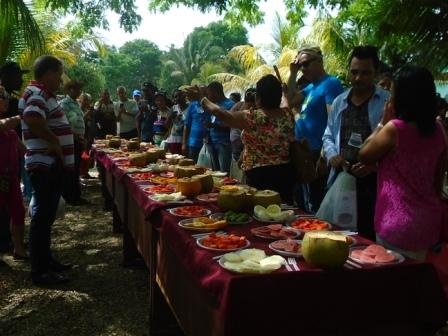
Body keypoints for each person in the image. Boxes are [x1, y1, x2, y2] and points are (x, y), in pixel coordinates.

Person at [358, 65, 447, 259]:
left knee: (393, 282)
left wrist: (382, 122)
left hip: (396, 223)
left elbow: (364, 154)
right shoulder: (439, 130)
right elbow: (438, 177)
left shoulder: (395, 129)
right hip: (429, 221)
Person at [186, 74, 296, 204]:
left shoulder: (252, 117)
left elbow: (221, 113)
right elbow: (288, 98)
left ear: (258, 97)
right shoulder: (287, 114)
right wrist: (293, 73)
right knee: (284, 209)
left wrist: (202, 99)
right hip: (286, 172)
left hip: (259, 175)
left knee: (260, 213)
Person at [322, 46, 389, 241]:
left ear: (375, 73)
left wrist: (374, 166)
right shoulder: (339, 101)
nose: (358, 78)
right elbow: (327, 134)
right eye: (354, 72)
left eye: (365, 73)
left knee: (368, 239)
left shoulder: (387, 102)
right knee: (339, 237)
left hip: (375, 185)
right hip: (342, 179)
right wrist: (332, 154)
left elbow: (395, 145)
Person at [19, 55, 74, 285]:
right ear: (49, 73)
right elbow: (32, 118)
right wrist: (54, 142)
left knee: (46, 217)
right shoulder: (38, 94)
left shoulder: (42, 94)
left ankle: (46, 259)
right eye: (59, 74)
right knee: (42, 218)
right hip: (45, 165)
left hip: (48, 164)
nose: (61, 79)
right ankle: (40, 271)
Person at [288, 46, 344, 213]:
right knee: (303, 201)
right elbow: (290, 100)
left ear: (319, 61)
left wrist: (325, 153)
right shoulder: (310, 87)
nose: (302, 69)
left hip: (318, 150)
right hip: (303, 151)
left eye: (305, 64)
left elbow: (333, 119)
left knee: (316, 201)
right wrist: (292, 73)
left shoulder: (331, 83)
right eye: (300, 66)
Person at [0, 62, 31, 253]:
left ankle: (13, 244)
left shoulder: (13, 99)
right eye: (17, 75)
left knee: (15, 207)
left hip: (11, 166)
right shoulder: (10, 102)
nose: (20, 79)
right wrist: (21, 116)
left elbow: (19, 142)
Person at [60, 80, 89, 205]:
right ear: (70, 89)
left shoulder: (76, 103)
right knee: (71, 168)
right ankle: (71, 196)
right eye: (76, 89)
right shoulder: (65, 103)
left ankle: (75, 195)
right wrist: (76, 136)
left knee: (76, 167)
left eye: (79, 89)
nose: (78, 91)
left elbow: (79, 120)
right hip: (71, 139)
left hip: (78, 139)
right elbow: (64, 123)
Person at [204, 82, 234, 173]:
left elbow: (232, 124)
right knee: (215, 172)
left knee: (224, 172)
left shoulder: (230, 104)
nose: (208, 96)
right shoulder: (214, 105)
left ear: (216, 92)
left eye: (209, 93)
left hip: (224, 143)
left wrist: (214, 125)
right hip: (212, 142)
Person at [229, 88, 256, 181]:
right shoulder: (239, 105)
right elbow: (229, 118)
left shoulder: (255, 114)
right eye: (248, 103)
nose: (249, 107)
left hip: (246, 152)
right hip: (236, 148)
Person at [183, 86, 209, 163]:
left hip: (208, 144)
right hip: (193, 143)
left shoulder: (210, 105)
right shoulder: (192, 105)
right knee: (192, 166)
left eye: (203, 93)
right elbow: (186, 125)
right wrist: (184, 144)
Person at [165, 90, 189, 154]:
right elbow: (166, 125)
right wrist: (170, 117)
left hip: (185, 140)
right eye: (175, 97)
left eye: (179, 96)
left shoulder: (189, 108)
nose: (177, 98)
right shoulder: (173, 108)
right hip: (173, 140)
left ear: (184, 96)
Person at [78, 92, 95, 179]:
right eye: (85, 100)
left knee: (86, 154)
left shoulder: (87, 110)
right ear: (81, 100)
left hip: (88, 136)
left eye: (88, 100)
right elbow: (79, 121)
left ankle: (86, 172)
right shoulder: (79, 109)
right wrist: (87, 114)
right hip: (81, 137)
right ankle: (82, 173)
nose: (86, 102)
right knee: (83, 155)